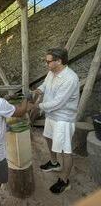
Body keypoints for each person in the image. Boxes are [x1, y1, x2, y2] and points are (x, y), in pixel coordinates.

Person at [34, 47, 79, 194]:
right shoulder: (52, 72)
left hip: (63, 119)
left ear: (59, 61)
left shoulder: (70, 78)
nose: (46, 64)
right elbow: (45, 85)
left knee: (66, 151)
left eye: (48, 61)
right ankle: (54, 163)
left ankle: (65, 181)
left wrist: (36, 106)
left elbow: (58, 103)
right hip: (52, 115)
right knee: (47, 137)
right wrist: (39, 90)